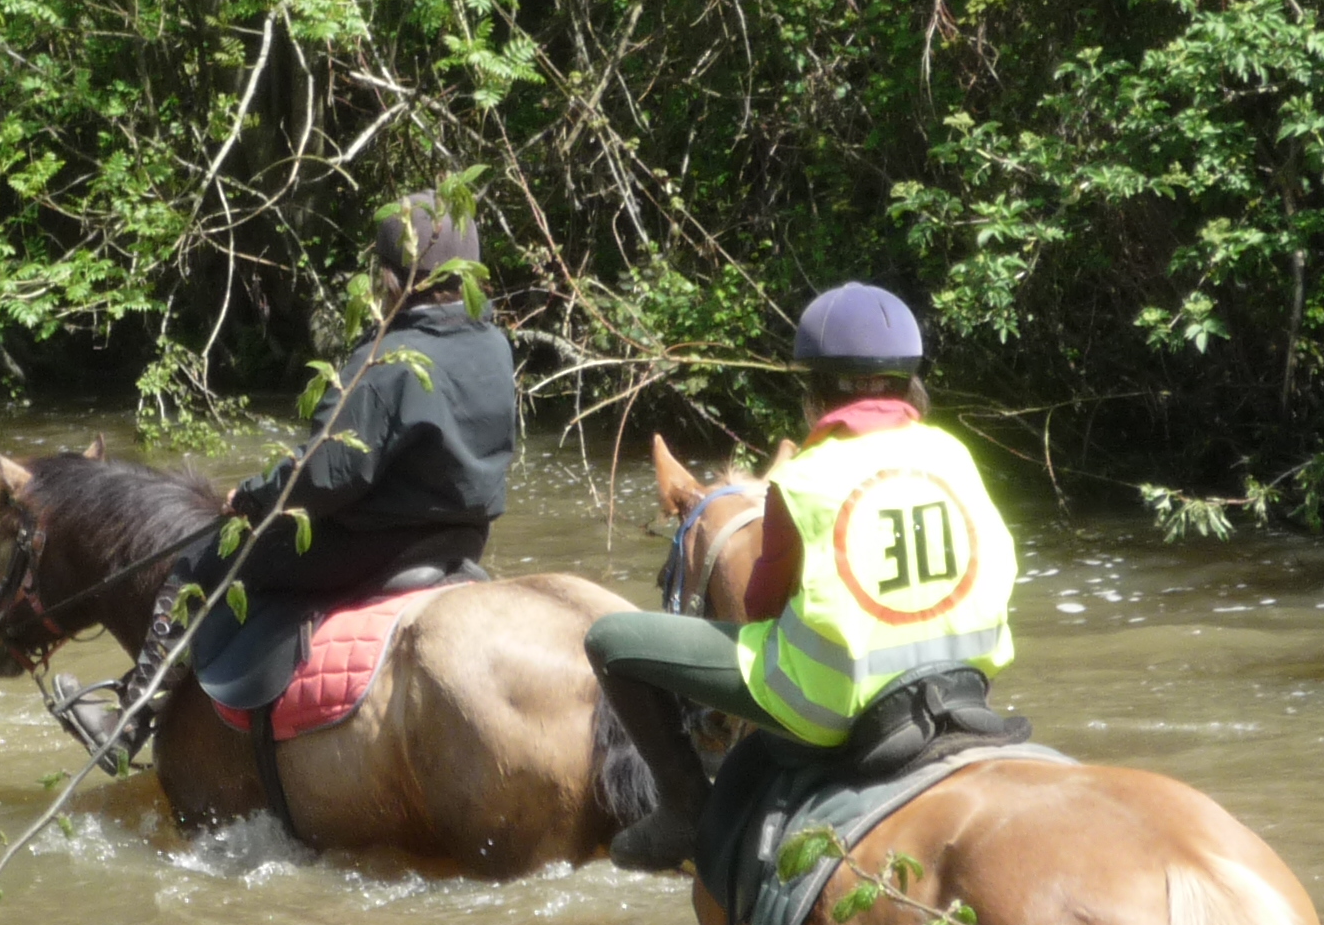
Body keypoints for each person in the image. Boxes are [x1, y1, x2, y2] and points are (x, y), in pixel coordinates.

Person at [588, 282, 1020, 871]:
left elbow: (763, 607)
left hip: (836, 708)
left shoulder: (802, 480)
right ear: (911, 384)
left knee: (611, 641)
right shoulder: (953, 454)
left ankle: (685, 810)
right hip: (966, 685)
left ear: (814, 397)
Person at [95, 189, 516, 758]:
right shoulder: (493, 344)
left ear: (391, 280)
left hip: (376, 544)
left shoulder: (391, 360)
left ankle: (128, 725)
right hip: (461, 539)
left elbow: (324, 475)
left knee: (203, 563)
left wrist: (251, 496)